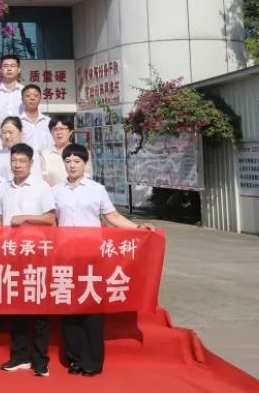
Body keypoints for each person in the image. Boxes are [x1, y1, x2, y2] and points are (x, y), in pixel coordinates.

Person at [54, 144, 156, 377]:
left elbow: (113, 216)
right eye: (68, 161)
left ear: (85, 164)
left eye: (77, 161)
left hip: (92, 256)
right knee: (70, 308)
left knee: (92, 308)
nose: (72, 165)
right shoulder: (56, 191)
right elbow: (52, 221)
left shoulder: (96, 189)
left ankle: (92, 361)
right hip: (66, 257)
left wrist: (137, 228)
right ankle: (74, 359)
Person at [0, 142, 57, 377]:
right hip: (11, 255)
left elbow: (50, 219)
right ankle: (20, 356)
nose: (17, 165)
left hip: (36, 256)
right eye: (14, 160)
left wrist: (26, 218)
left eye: (22, 161)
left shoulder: (41, 187)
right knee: (16, 309)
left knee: (39, 311)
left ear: (31, 163)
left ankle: (40, 360)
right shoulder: (5, 188)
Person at [40, 115, 81, 186]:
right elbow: (44, 179)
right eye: (55, 129)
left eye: (62, 129)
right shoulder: (44, 154)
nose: (58, 132)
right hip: (52, 192)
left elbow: (86, 178)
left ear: (70, 131)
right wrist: (59, 190)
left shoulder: (81, 152)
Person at [18, 84, 52, 152]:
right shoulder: (17, 122)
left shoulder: (49, 122)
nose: (32, 98)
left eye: (36, 95)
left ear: (40, 99)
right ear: (22, 100)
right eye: (28, 95)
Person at [0, 116, 21, 182]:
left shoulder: (30, 153)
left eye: (11, 132)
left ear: (20, 131)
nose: (7, 136)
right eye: (4, 132)